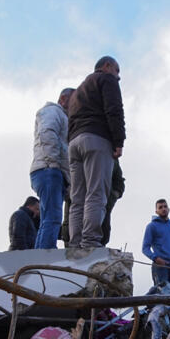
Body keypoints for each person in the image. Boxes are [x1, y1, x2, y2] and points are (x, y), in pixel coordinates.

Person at [67, 56, 125, 248]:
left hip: (74, 143)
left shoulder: (77, 92)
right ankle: (90, 242)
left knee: (77, 198)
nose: (118, 78)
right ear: (107, 66)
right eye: (117, 71)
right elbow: (114, 109)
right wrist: (118, 140)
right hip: (96, 139)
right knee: (96, 192)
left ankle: (75, 244)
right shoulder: (106, 80)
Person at [30, 88, 73, 249]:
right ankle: (45, 256)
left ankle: (41, 253)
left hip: (50, 169)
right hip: (49, 169)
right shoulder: (52, 111)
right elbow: (47, 134)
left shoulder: (60, 115)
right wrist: (52, 163)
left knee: (48, 217)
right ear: (63, 99)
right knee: (53, 217)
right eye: (74, 102)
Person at [142, 198, 170, 295]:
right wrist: (156, 258)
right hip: (161, 266)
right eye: (160, 207)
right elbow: (145, 248)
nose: (163, 209)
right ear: (156, 211)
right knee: (164, 296)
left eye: (165, 206)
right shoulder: (152, 226)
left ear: (169, 209)